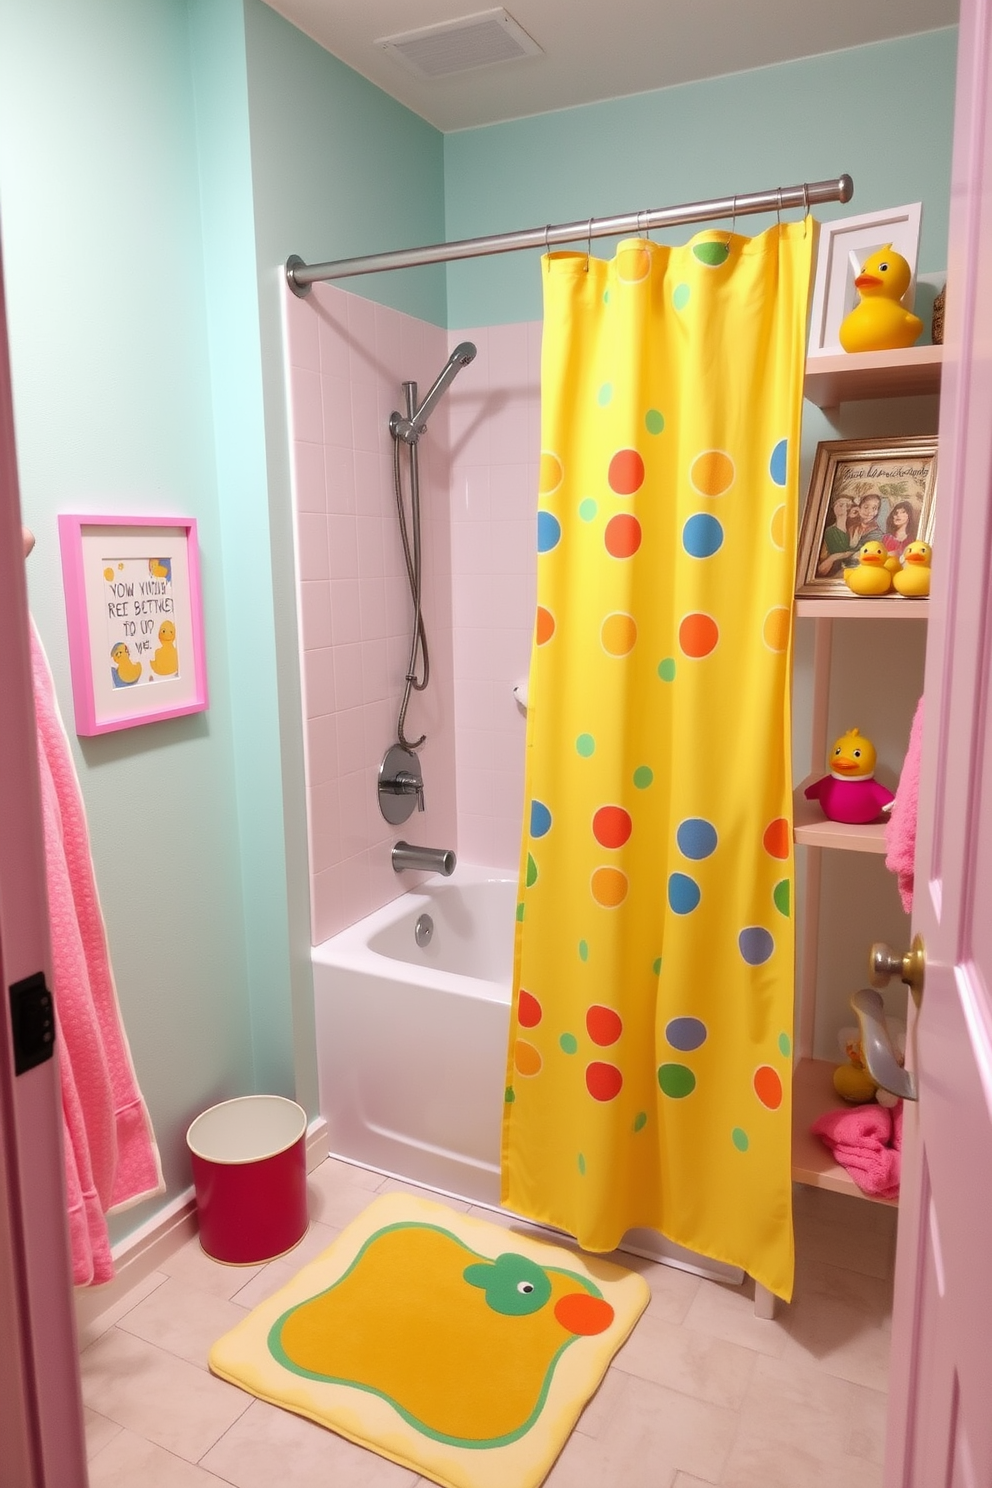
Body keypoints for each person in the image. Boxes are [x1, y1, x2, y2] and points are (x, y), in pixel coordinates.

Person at [816, 493, 856, 578]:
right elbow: (822, 566)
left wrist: (834, 557)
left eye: (846, 505)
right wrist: (833, 557)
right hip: (834, 573)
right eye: (838, 504)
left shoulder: (854, 529)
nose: (840, 507)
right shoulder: (829, 531)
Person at [844, 492, 886, 561]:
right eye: (866, 507)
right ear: (858, 508)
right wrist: (849, 517)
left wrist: (836, 557)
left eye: (874, 508)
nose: (869, 512)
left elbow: (865, 554)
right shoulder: (852, 527)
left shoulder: (876, 533)